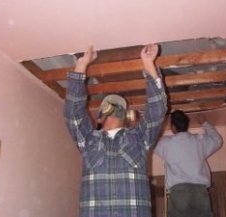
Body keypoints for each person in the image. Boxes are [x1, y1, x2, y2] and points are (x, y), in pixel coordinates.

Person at [64, 44, 167, 217]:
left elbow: (157, 111)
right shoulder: (88, 140)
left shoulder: (140, 138)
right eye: (108, 106)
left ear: (126, 117)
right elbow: (72, 113)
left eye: (118, 106)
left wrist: (149, 64)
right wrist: (82, 65)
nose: (113, 108)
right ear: (99, 117)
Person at [154, 110, 223, 217]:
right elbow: (217, 140)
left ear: (173, 127)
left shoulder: (165, 143)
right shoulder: (199, 141)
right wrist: (204, 122)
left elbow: (150, 141)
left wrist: (159, 126)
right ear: (186, 125)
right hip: (199, 192)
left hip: (179, 193)